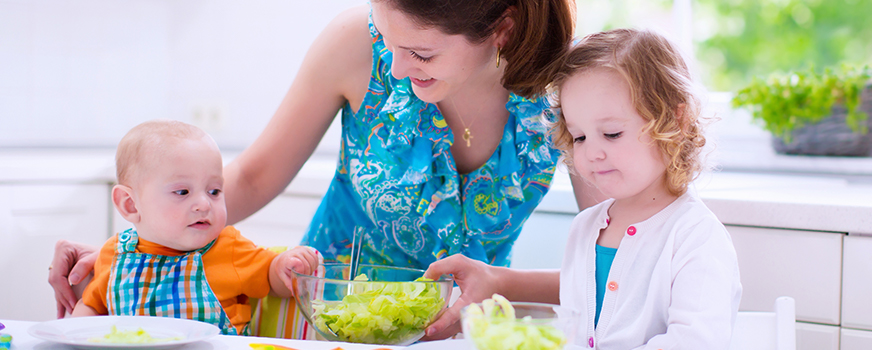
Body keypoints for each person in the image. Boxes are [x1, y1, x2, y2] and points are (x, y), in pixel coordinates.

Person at [49, 0, 581, 337]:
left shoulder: (574, 89)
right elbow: (254, 177)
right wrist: (147, 241)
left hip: (464, 331)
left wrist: (503, 283)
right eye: (387, 39)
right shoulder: (355, 44)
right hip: (321, 320)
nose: (393, 68)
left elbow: (619, 254)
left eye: (419, 53)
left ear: (502, 31)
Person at [424, 28, 743, 347]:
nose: (592, 152)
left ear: (676, 121)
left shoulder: (696, 237)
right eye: (579, 137)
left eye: (612, 133)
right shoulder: (586, 228)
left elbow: (696, 342)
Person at [70, 120, 321, 336]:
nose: (203, 203)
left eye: (214, 191)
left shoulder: (229, 247)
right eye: (182, 192)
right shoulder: (114, 254)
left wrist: (284, 266)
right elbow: (92, 306)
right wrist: (73, 333)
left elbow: (269, 276)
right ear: (130, 204)